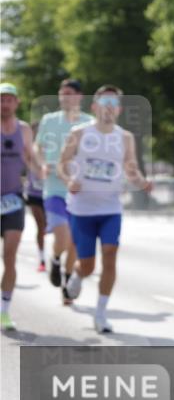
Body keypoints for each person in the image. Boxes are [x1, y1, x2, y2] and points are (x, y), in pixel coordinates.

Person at [59, 85, 153, 334]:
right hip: (82, 210)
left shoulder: (125, 137)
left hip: (111, 208)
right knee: (88, 265)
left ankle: (101, 313)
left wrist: (142, 182)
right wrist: (69, 181)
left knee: (110, 254)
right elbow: (62, 163)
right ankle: (77, 276)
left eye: (113, 103)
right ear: (95, 107)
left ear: (119, 109)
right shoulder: (79, 133)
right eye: (104, 102)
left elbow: (131, 168)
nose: (109, 108)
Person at [35, 78, 92, 304]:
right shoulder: (49, 120)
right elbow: (37, 147)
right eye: (61, 92)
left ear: (79, 96)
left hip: (78, 191)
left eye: (69, 93)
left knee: (75, 244)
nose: (64, 96)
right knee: (63, 234)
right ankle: (56, 259)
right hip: (54, 188)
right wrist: (40, 164)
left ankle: (67, 284)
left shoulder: (90, 123)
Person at [1, 83, 42, 331]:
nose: (4, 104)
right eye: (1, 99)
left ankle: (4, 311)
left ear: (16, 103)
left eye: (9, 99)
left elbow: (31, 157)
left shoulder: (24, 129)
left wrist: (42, 170)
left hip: (13, 200)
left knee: (10, 256)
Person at [24, 128, 47, 273]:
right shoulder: (30, 150)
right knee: (41, 226)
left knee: (49, 226)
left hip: (50, 195)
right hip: (34, 194)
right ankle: (42, 259)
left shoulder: (54, 149)